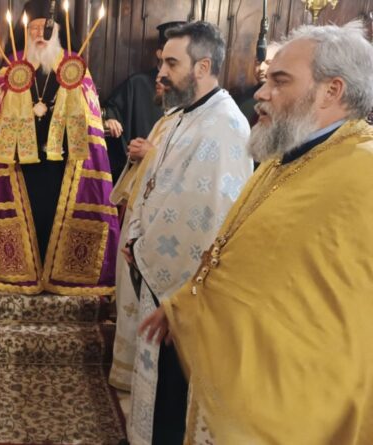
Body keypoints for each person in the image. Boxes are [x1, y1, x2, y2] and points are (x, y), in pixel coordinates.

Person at [141, 21, 373, 444]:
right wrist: (186, 305)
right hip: (241, 367)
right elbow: (239, 250)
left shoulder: (363, 170)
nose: (261, 93)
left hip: (301, 396)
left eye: (279, 81)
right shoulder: (285, 156)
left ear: (331, 91)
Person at [123, 21, 253, 445]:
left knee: (174, 391)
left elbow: (209, 215)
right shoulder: (182, 117)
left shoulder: (225, 126)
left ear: (203, 66)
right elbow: (154, 184)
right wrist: (135, 234)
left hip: (184, 285)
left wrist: (144, 247)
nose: (161, 72)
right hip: (155, 267)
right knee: (158, 380)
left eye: (172, 63)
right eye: (162, 62)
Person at [0, 0, 119, 296]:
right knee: (29, 218)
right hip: (21, 167)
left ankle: (60, 277)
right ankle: (24, 274)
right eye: (33, 28)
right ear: (25, 32)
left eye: (46, 28)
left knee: (55, 219)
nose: (40, 34)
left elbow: (89, 118)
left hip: (63, 166)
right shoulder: (10, 68)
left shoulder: (75, 67)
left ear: (58, 32)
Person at [107, 77, 182, 391]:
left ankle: (136, 375)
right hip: (139, 220)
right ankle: (127, 371)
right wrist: (139, 154)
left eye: (169, 68)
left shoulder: (196, 123)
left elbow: (183, 175)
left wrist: (150, 154)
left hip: (160, 232)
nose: (158, 79)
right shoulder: (167, 120)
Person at [102, 21, 185, 180]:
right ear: (160, 53)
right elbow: (113, 110)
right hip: (138, 172)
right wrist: (111, 119)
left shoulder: (190, 91)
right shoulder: (138, 83)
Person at [234, 41, 281, 125]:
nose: (261, 68)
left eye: (268, 63)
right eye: (258, 63)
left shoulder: (283, 100)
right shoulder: (243, 96)